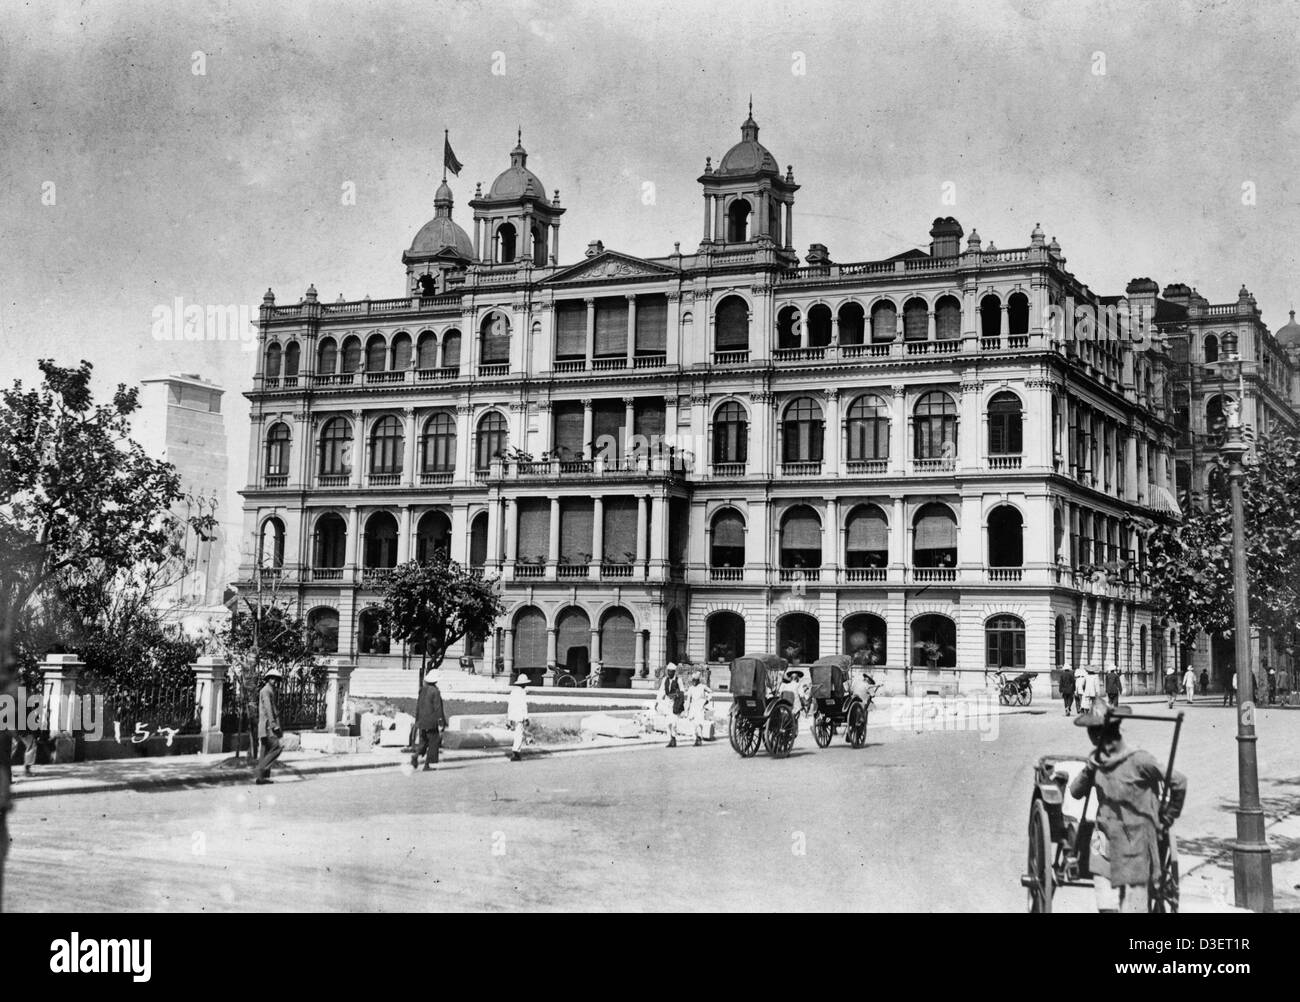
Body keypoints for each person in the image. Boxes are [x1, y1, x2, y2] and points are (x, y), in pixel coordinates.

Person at [1064, 705, 1187, 913]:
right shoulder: (1096, 763)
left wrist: (1168, 816)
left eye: (1094, 734)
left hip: (1136, 845)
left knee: (1134, 909)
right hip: (1103, 842)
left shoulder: (1140, 760)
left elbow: (1179, 781)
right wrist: (1089, 769)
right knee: (1107, 908)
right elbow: (1076, 792)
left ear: (1101, 735)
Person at [411, 670, 448, 771]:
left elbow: (418, 706)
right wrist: (441, 723)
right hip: (431, 722)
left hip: (421, 721)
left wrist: (417, 721)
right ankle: (428, 765)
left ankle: (416, 754)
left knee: (423, 742)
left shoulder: (422, 690)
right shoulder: (435, 691)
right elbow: (438, 709)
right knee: (433, 743)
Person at [254, 668, 284, 785]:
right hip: (268, 725)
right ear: (267, 679)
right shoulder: (267, 691)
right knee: (277, 747)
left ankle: (261, 778)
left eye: (276, 679)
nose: (274, 681)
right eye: (272, 678)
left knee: (265, 750)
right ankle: (261, 770)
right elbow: (268, 708)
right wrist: (273, 724)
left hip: (265, 725)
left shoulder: (269, 690)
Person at [657, 663, 684, 748]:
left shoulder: (678, 680)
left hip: (675, 703)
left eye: (671, 672)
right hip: (667, 703)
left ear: (674, 672)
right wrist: (658, 702)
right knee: (668, 723)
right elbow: (661, 691)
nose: (669, 673)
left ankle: (674, 739)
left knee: (674, 723)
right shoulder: (665, 680)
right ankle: (671, 739)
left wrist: (678, 698)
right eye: (668, 671)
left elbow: (682, 692)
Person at [684, 671, 712, 747]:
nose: (694, 682)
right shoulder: (691, 689)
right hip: (693, 708)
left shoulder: (702, 687)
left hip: (700, 707)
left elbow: (710, 692)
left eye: (695, 681)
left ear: (698, 680)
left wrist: (707, 700)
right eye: (693, 681)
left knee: (699, 723)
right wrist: (686, 710)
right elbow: (688, 700)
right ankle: (697, 738)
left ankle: (699, 739)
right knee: (694, 725)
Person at [507, 674, 529, 762]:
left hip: (513, 715)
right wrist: (526, 718)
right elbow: (524, 706)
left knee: (516, 733)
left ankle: (515, 750)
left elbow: (510, 705)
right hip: (520, 716)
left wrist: (509, 718)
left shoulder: (513, 692)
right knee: (519, 734)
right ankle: (516, 751)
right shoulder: (522, 692)